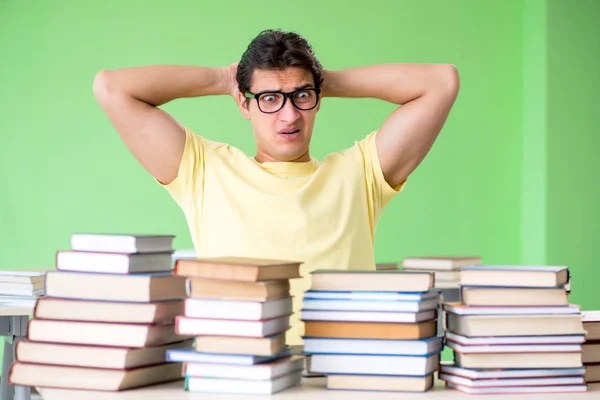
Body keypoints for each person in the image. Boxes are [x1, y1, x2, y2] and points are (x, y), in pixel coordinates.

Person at [92, 29, 459, 345]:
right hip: (238, 377)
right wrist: (223, 78)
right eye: (269, 98)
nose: (289, 115)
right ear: (244, 102)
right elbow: (111, 87)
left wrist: (322, 81)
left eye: (302, 96)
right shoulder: (203, 170)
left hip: (337, 378)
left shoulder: (360, 172)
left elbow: (441, 82)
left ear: (318, 100)